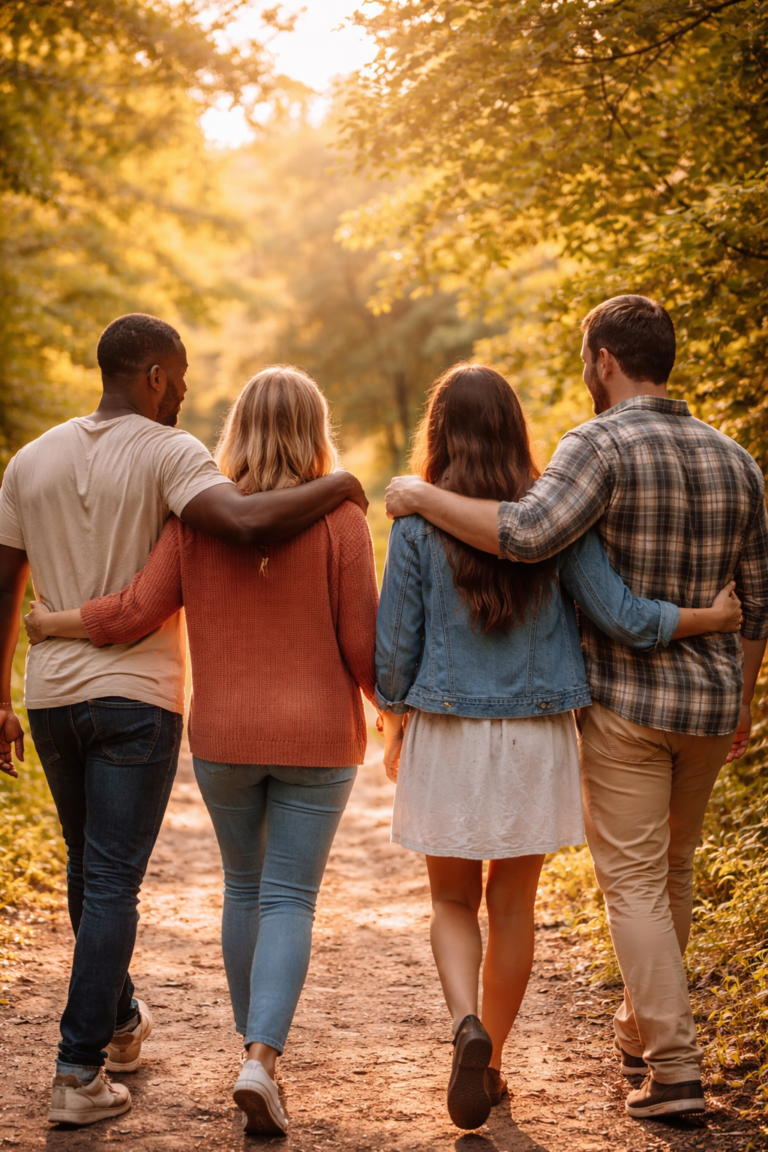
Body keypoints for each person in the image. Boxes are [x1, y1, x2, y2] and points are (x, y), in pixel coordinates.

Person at [383, 298, 768, 1121]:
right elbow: (667, 610)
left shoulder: (443, 516)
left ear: (602, 360)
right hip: (599, 724)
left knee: (475, 899)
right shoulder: (714, 467)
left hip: (506, 721)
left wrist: (391, 718)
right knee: (579, 891)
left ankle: (492, 1037)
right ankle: (525, 1052)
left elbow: (406, 642)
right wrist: (724, 650)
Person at [0, 315, 367, 1128]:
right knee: (253, 895)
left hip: (141, 717)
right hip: (231, 718)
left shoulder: (106, 487)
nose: (189, 389)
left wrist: (37, 648)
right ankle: (194, 1061)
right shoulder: (300, 506)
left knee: (172, 881)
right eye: (183, 373)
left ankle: (157, 1028)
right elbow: (341, 623)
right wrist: (400, 711)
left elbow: (82, 597)